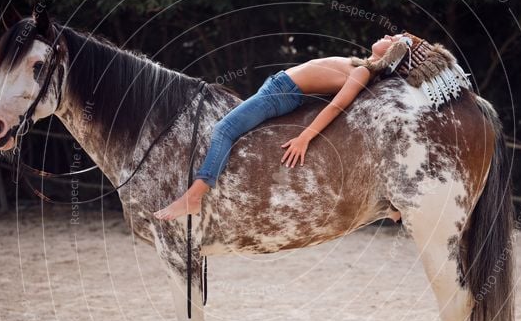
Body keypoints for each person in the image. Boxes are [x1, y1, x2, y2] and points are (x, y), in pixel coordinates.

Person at [153, 32, 415, 220]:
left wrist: (305, 137)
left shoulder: (363, 72)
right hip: (280, 89)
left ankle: (195, 195)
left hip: (280, 93)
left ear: (391, 53)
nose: (386, 35)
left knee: (224, 129)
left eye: (391, 38)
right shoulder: (362, 66)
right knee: (236, 131)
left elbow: (337, 106)